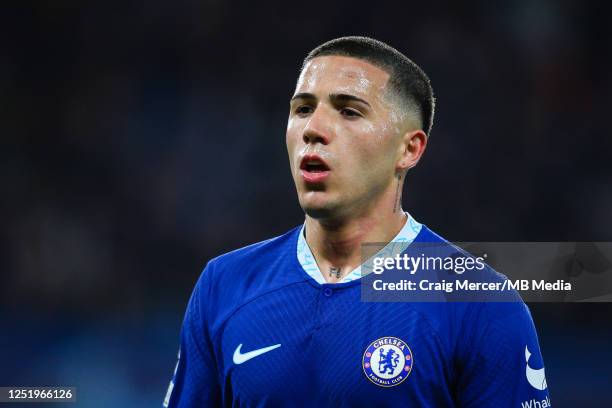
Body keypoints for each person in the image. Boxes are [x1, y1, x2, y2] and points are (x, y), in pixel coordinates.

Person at [164, 36, 551, 407]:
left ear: (409, 149)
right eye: (302, 109)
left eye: (349, 111)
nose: (313, 129)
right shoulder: (225, 285)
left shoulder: (479, 303)